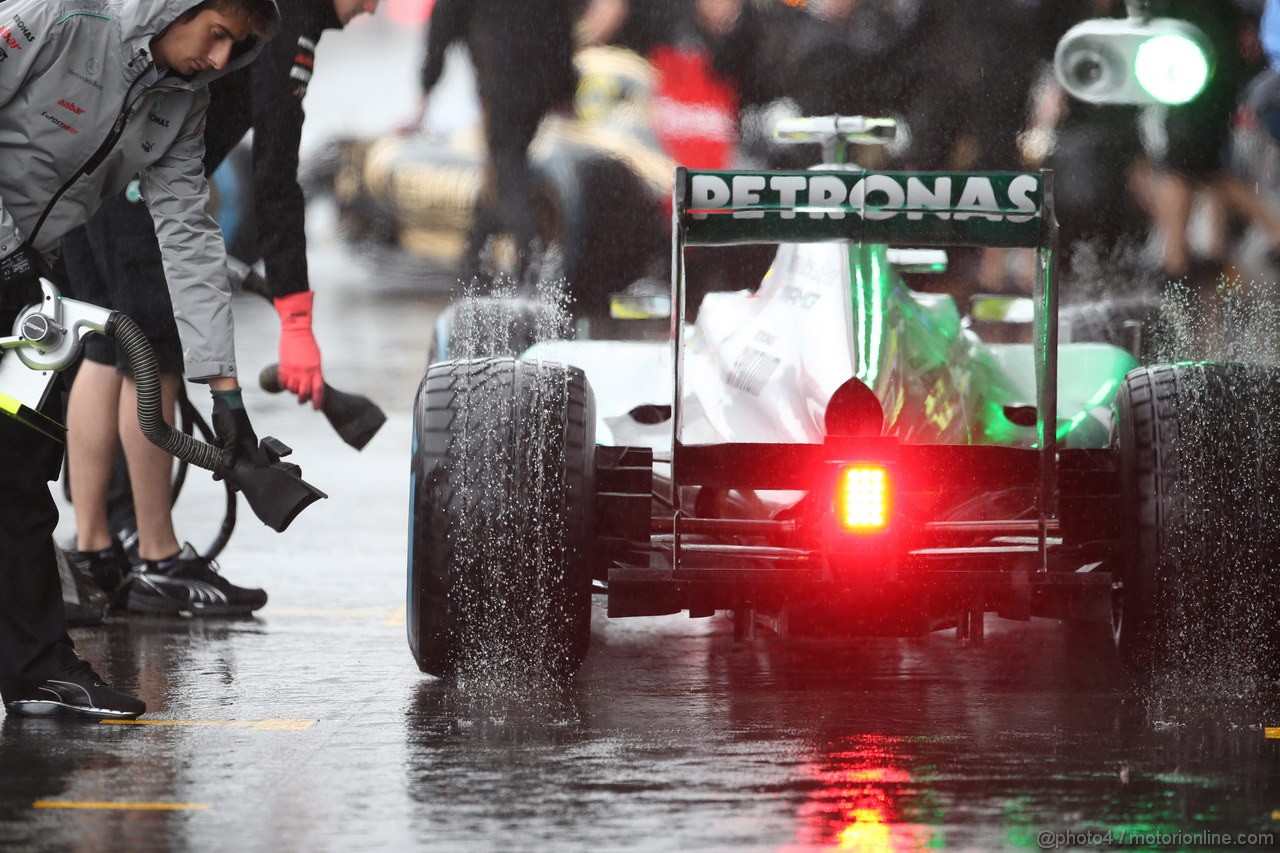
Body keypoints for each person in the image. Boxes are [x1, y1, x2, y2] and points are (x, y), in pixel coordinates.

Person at [0, 0, 280, 719]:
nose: (221, 58)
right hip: (9, 259)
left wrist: (227, 398)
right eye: (217, 33)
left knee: (19, 464)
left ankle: (36, 671)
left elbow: (186, 235)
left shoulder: (179, 95)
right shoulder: (60, 19)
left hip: (26, 269)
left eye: (235, 46)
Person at [60, 0, 382, 620]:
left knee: (105, 349)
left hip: (92, 171)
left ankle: (96, 550)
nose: (374, 8)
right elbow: (274, 176)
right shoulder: (285, 20)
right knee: (151, 359)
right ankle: (157, 559)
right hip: (139, 184)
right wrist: (295, 318)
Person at [406, 0, 579, 281]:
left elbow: (441, 30)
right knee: (502, 170)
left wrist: (425, 92)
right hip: (541, 85)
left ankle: (529, 264)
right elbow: (563, 22)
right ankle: (476, 259)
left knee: (506, 171)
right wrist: (566, 89)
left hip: (502, 87)